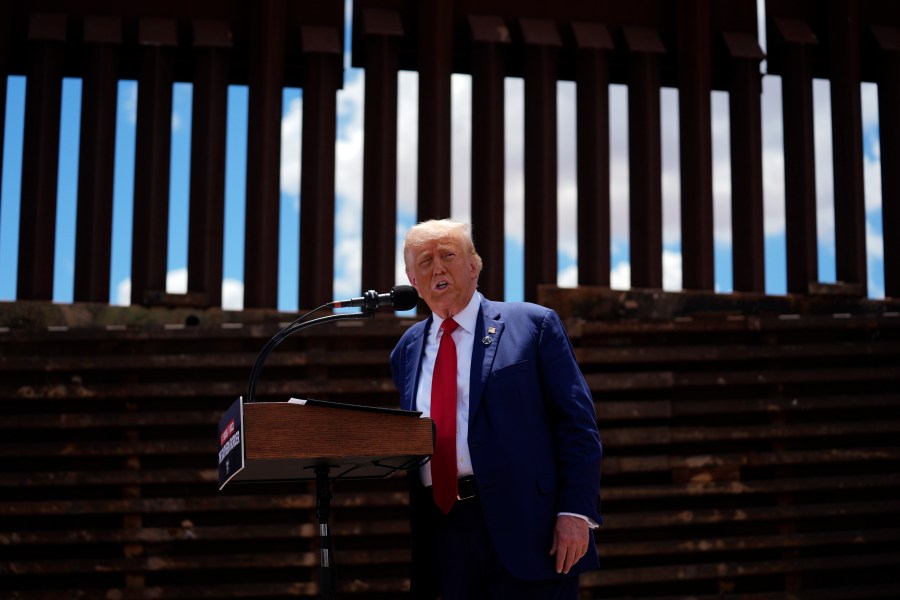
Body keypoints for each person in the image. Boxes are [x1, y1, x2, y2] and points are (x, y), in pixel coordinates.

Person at [390, 219, 603, 599]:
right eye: (424, 262)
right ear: (412, 279)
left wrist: (575, 513)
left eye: (448, 256)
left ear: (474, 266)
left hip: (530, 528)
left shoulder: (533, 325)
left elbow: (577, 425)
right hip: (444, 533)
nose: (437, 268)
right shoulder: (406, 349)